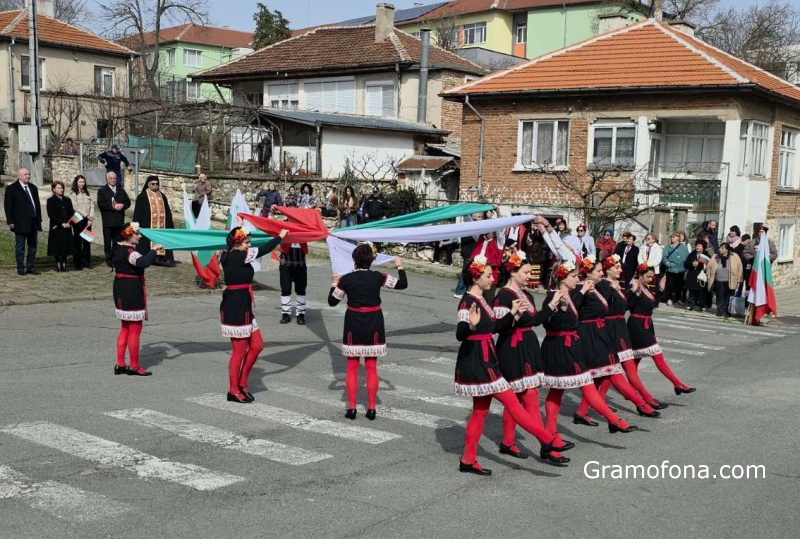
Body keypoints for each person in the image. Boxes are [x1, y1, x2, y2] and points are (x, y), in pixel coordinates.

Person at [454, 255, 571, 476]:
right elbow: (460, 333)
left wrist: (512, 314)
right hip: (478, 360)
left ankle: (467, 459)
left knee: (480, 413)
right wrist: (470, 325)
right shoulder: (468, 301)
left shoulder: (482, 299)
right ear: (477, 277)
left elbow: (495, 326)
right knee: (513, 405)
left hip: (486, 357)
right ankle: (547, 440)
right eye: (488, 275)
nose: (492, 278)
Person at [540, 260, 638, 442]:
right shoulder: (553, 296)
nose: (577, 279)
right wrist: (562, 305)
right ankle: (551, 433)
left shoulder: (570, 294)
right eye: (573, 276)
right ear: (563, 278)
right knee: (557, 390)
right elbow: (550, 323)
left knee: (585, 385)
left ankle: (613, 420)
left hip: (570, 345)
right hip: (558, 347)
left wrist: (582, 294)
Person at [493, 251, 568, 465]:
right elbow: (498, 328)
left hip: (528, 345)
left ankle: (509, 442)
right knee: (519, 398)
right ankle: (546, 444)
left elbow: (534, 320)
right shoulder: (504, 296)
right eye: (525, 272)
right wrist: (513, 315)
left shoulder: (526, 294)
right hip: (511, 348)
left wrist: (552, 305)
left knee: (526, 397)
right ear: (513, 271)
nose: (529, 276)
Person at [571, 255, 660, 426]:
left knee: (603, 375)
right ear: (588, 274)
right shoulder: (588, 288)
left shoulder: (596, 287)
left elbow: (616, 307)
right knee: (611, 372)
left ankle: (581, 412)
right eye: (598, 271)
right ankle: (641, 404)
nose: (601, 273)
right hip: (591, 334)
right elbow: (576, 309)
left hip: (601, 331)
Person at [328, 244, 408, 420]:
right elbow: (403, 284)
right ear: (372, 260)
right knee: (371, 366)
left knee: (352, 367)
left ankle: (351, 408)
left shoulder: (346, 279)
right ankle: (371, 408)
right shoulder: (378, 277)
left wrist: (334, 283)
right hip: (374, 323)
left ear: (354, 260)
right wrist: (400, 266)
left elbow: (332, 302)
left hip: (353, 323)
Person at [220, 225, 287, 403]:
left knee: (257, 345)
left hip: (243, 304)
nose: (249, 245)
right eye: (247, 242)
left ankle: (242, 383)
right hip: (235, 305)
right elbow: (264, 249)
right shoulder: (238, 255)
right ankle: (233, 390)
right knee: (239, 351)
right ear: (238, 242)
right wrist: (280, 236)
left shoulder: (232, 254)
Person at [602, 254, 668, 412]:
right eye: (616, 267)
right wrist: (631, 291)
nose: (620, 269)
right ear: (607, 269)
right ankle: (645, 400)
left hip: (620, 327)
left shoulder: (614, 284)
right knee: (612, 371)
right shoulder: (604, 286)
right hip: (612, 329)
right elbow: (621, 307)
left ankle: (642, 400)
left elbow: (623, 305)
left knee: (610, 373)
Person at [628, 263, 696, 395]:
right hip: (637, 326)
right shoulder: (635, 287)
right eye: (648, 277)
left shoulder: (646, 287)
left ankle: (632, 388)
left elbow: (651, 305)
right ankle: (677, 383)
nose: (650, 279)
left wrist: (660, 290)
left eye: (652, 277)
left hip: (646, 325)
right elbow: (627, 306)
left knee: (636, 359)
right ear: (640, 275)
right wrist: (633, 292)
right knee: (656, 355)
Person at [112, 223, 164, 377]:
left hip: (121, 288)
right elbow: (143, 262)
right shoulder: (129, 251)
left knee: (125, 328)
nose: (140, 236)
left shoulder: (118, 248)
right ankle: (134, 366)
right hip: (131, 289)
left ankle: (120, 363)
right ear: (129, 235)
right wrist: (154, 250)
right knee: (135, 329)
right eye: (137, 234)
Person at [4, 168, 43, 276]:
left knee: (33, 246)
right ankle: (21, 267)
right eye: (25, 174)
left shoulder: (33, 188)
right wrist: (10, 221)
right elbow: (8, 207)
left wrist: (39, 220)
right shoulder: (12, 189)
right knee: (20, 246)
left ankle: (30, 266)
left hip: (33, 221)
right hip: (20, 222)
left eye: (29, 174)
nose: (28, 176)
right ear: (19, 176)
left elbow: (37, 205)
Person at [133, 175, 175, 266]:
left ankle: (161, 258)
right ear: (148, 184)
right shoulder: (142, 196)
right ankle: (149, 257)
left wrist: (170, 223)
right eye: (153, 184)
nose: (155, 185)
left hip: (162, 225)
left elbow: (167, 211)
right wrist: (136, 225)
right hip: (147, 225)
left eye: (157, 184)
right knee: (147, 242)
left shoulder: (162, 196)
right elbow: (137, 212)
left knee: (161, 240)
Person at [97, 172, 131, 267]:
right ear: (107, 179)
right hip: (108, 221)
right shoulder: (102, 191)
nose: (113, 180)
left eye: (114, 178)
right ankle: (109, 259)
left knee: (117, 242)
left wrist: (122, 206)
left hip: (119, 221)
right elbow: (101, 204)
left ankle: (116, 258)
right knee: (107, 242)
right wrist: (113, 206)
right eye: (111, 178)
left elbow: (128, 202)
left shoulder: (121, 190)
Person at [707, 242, 743, 317]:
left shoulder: (734, 256)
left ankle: (726, 310)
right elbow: (708, 267)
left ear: (727, 249)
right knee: (719, 296)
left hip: (730, 280)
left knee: (728, 296)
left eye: (722, 248)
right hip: (718, 280)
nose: (720, 249)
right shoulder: (715, 256)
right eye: (720, 248)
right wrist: (709, 276)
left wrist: (739, 279)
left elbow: (740, 267)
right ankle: (720, 310)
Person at [46, 180, 75, 272]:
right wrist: (61, 223)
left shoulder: (67, 200)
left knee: (66, 246)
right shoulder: (50, 201)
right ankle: (58, 262)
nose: (61, 190)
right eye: (58, 188)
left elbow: (71, 213)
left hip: (67, 225)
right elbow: (51, 214)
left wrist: (69, 223)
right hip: (57, 226)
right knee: (57, 245)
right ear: (54, 189)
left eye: (62, 188)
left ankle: (64, 262)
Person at [279, 240, 309, 325]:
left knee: (301, 288)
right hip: (286, 258)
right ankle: (286, 314)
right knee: (285, 288)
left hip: (300, 258)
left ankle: (300, 314)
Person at [69, 174, 96, 270]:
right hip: (78, 219)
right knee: (77, 241)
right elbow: (75, 207)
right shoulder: (73, 193)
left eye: (83, 182)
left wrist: (91, 217)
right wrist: (86, 215)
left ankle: (87, 262)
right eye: (80, 182)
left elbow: (92, 205)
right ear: (76, 182)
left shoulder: (87, 193)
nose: (82, 184)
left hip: (87, 220)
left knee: (87, 241)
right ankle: (78, 263)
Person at [454, 213, 482, 297]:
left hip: (470, 252)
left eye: (481, 217)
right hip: (468, 252)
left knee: (469, 271)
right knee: (466, 272)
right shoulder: (470, 228)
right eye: (478, 217)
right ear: (473, 218)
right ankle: (459, 291)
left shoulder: (473, 227)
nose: (480, 219)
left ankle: (465, 290)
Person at [662, 232, 689, 306]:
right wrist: (667, 263)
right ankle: (669, 298)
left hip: (681, 269)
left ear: (678, 238)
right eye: (671, 237)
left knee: (679, 285)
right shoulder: (668, 247)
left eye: (673, 237)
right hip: (671, 268)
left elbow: (687, 257)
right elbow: (664, 257)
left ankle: (678, 299)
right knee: (669, 284)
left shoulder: (684, 247)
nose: (672, 238)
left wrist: (686, 267)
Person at [684, 240, 710, 312]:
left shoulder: (706, 255)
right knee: (691, 291)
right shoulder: (692, 254)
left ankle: (702, 305)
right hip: (692, 275)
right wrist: (692, 264)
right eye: (697, 245)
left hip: (701, 275)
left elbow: (707, 265)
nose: (698, 247)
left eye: (700, 246)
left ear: (703, 247)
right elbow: (686, 264)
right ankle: (690, 304)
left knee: (701, 291)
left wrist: (699, 265)